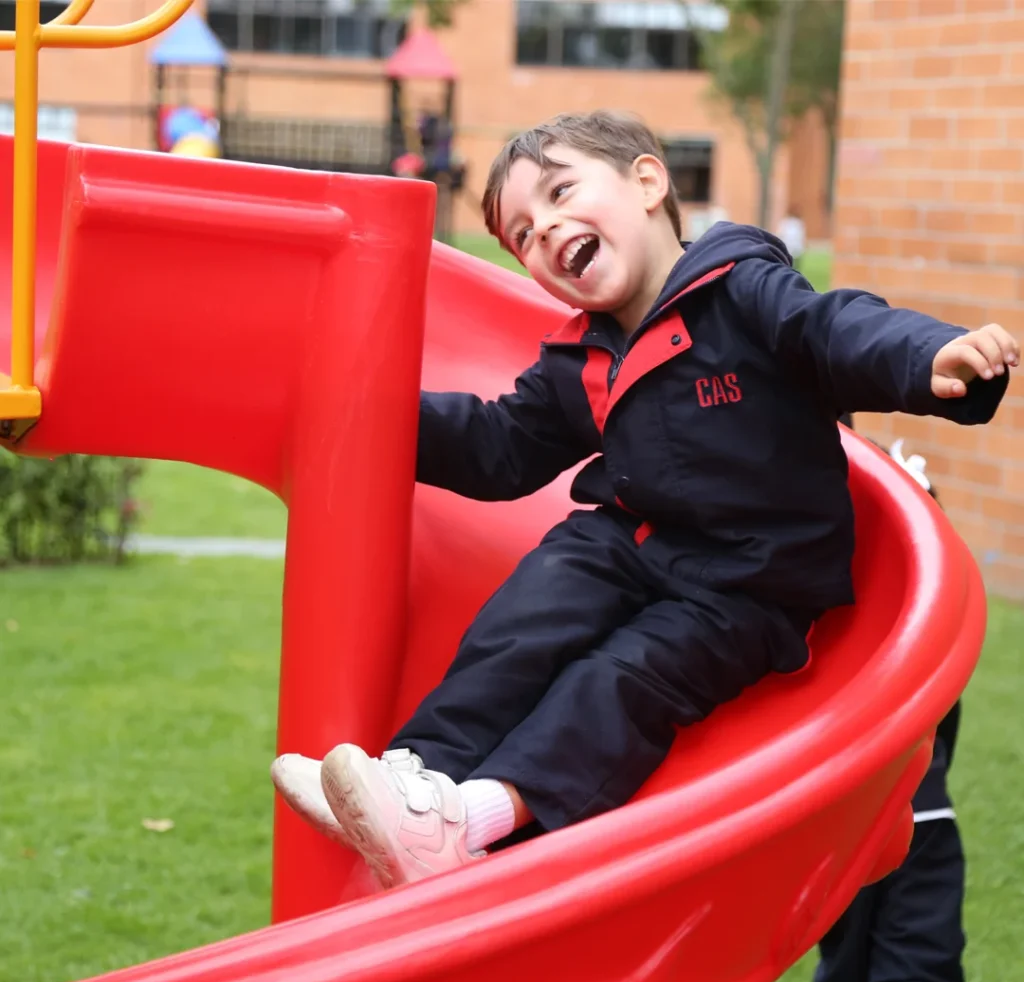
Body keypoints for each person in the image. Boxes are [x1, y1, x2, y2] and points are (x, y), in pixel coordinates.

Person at [271, 110, 1016, 891]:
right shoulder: (580, 357)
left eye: (561, 193)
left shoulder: (741, 289)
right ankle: (412, 778)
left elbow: (831, 331)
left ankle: (477, 818)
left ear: (649, 182)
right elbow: (503, 447)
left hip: (749, 583)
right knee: (532, 608)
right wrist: (377, 416)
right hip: (635, 545)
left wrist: (928, 353)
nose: (547, 229)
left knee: (622, 678)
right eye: (522, 234)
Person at [814, 424, 967, 982]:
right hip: (857, 817)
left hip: (891, 814)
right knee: (865, 980)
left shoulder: (897, 500)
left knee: (905, 980)